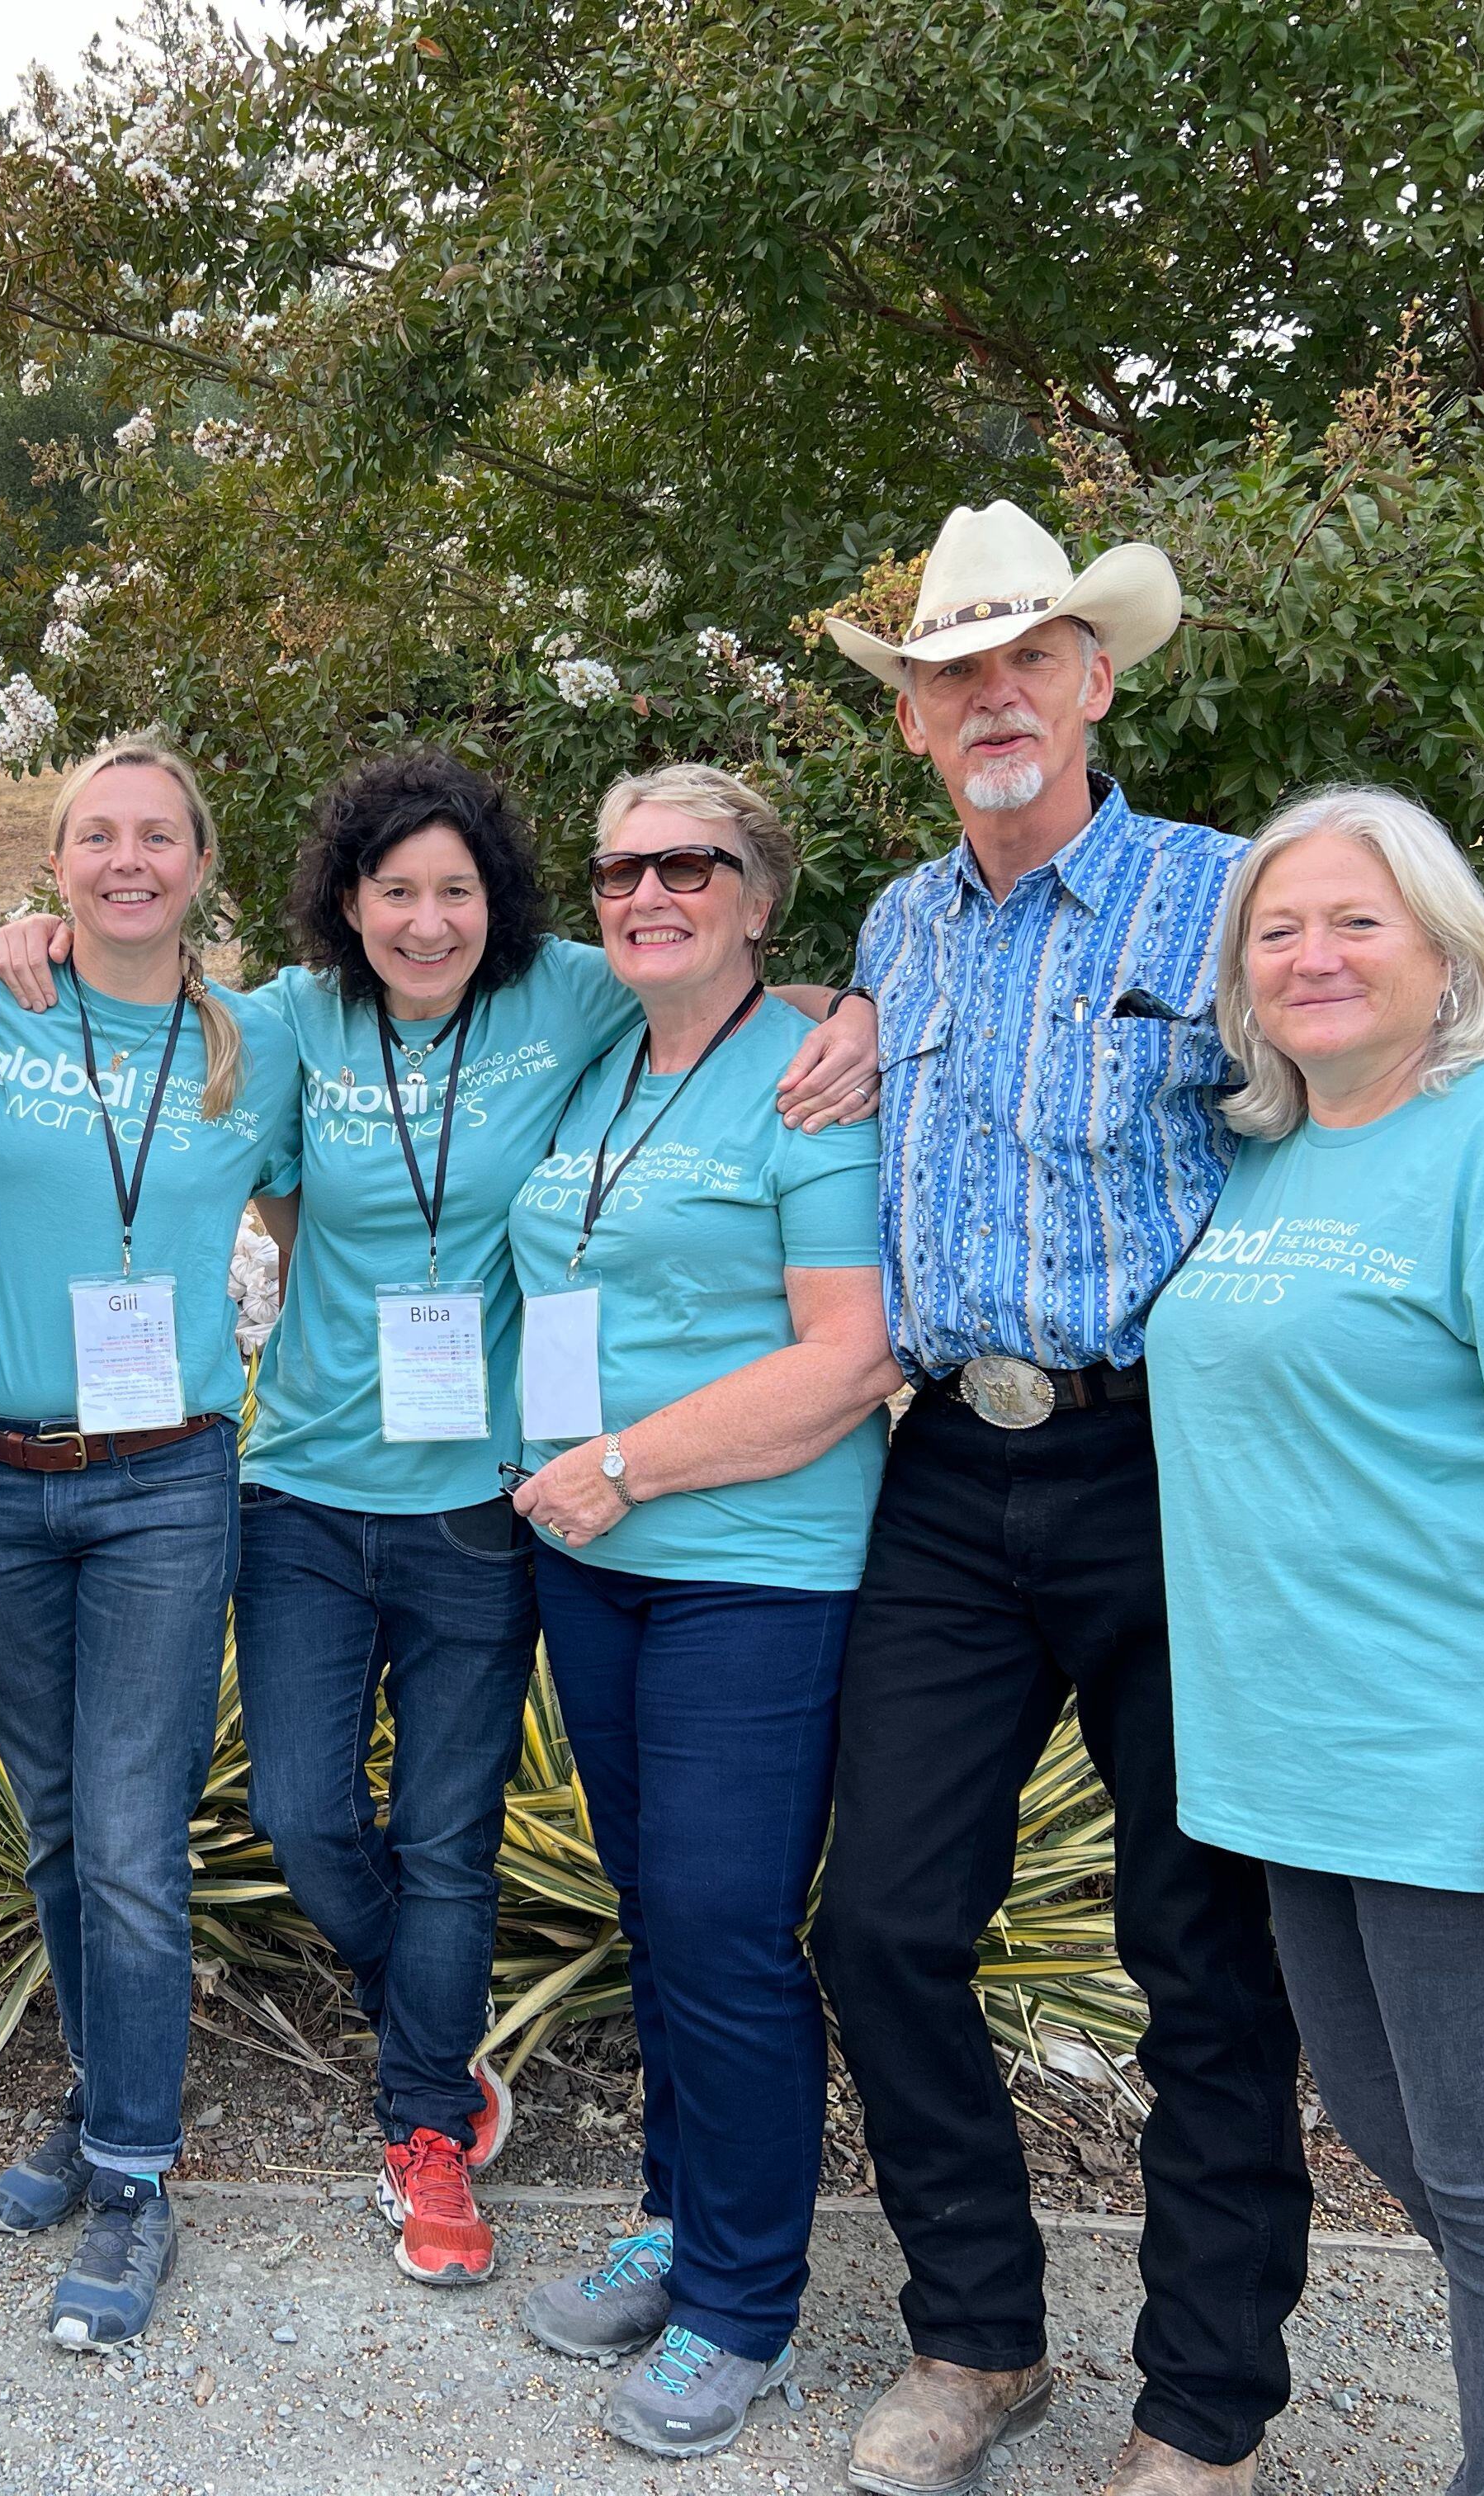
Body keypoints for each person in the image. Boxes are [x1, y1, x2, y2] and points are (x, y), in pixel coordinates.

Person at [804, 501, 1484, 2496]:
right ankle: (975, 2338)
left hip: (1172, 1468)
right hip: (949, 1462)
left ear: (1095, 681)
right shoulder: (896, 928)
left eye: (1027, 660)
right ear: (916, 725)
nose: (991, 700)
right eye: (953, 675)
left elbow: (1430, 1069)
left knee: (1200, 1960)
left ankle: (1199, 2412)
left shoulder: (1231, 898)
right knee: (881, 1920)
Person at [0, 757, 879, 2296]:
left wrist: (843, 1012)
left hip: (489, 1505)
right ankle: (426, 2020)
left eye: (456, 888)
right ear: (347, 900)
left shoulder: (572, 993)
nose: (427, 918)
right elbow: (216, 1145)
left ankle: (427, 2126)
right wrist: (4, 944)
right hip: (305, 1486)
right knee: (303, 1816)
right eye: (395, 889)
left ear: (498, 903)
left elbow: (724, 985)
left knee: (448, 1840)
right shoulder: (279, 1027)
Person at [1149, 787, 1484, 2494]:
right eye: (1278, 928)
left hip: (1482, 1759)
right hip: (1310, 1761)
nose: (1313, 955)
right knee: (1422, 2153)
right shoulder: (1270, 1146)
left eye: (1357, 920)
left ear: (1447, 951)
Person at [0, 736, 300, 2350]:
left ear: (201, 863)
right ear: (54, 868)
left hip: (162, 1486)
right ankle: (99, 2101)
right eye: (96, 837)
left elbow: (364, 1175)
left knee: (126, 1835)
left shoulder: (265, 1045)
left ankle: (131, 2173)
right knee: (55, 1824)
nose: (128, 861)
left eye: (159, 836)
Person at [496, 765, 896, 2460]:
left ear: (754, 892)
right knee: (658, 1909)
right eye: (617, 869)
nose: (645, 892)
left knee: (727, 1927)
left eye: (687, 865)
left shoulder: (809, 1091)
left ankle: (741, 2300)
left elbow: (853, 1355)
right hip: (596, 1564)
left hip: (751, 1565)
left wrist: (632, 1469)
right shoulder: (600, 1052)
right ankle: (675, 2222)